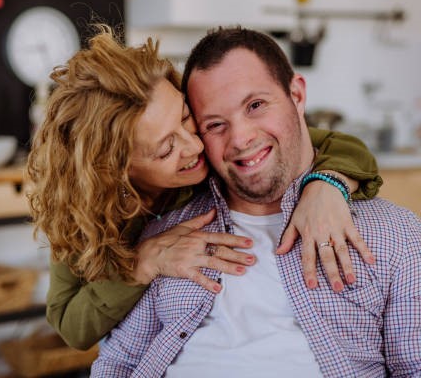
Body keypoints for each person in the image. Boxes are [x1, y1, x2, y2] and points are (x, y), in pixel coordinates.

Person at [26, 25, 382, 351]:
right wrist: (142, 264)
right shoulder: (84, 210)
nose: (194, 147)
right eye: (166, 148)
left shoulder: (214, 148)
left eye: (185, 117)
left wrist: (328, 184)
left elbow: (338, 145)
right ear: (116, 170)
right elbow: (70, 326)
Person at [91, 27, 421, 377]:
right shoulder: (166, 239)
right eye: (215, 124)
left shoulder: (396, 237)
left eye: (256, 105)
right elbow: (117, 363)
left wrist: (329, 181)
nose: (241, 138)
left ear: (296, 94)